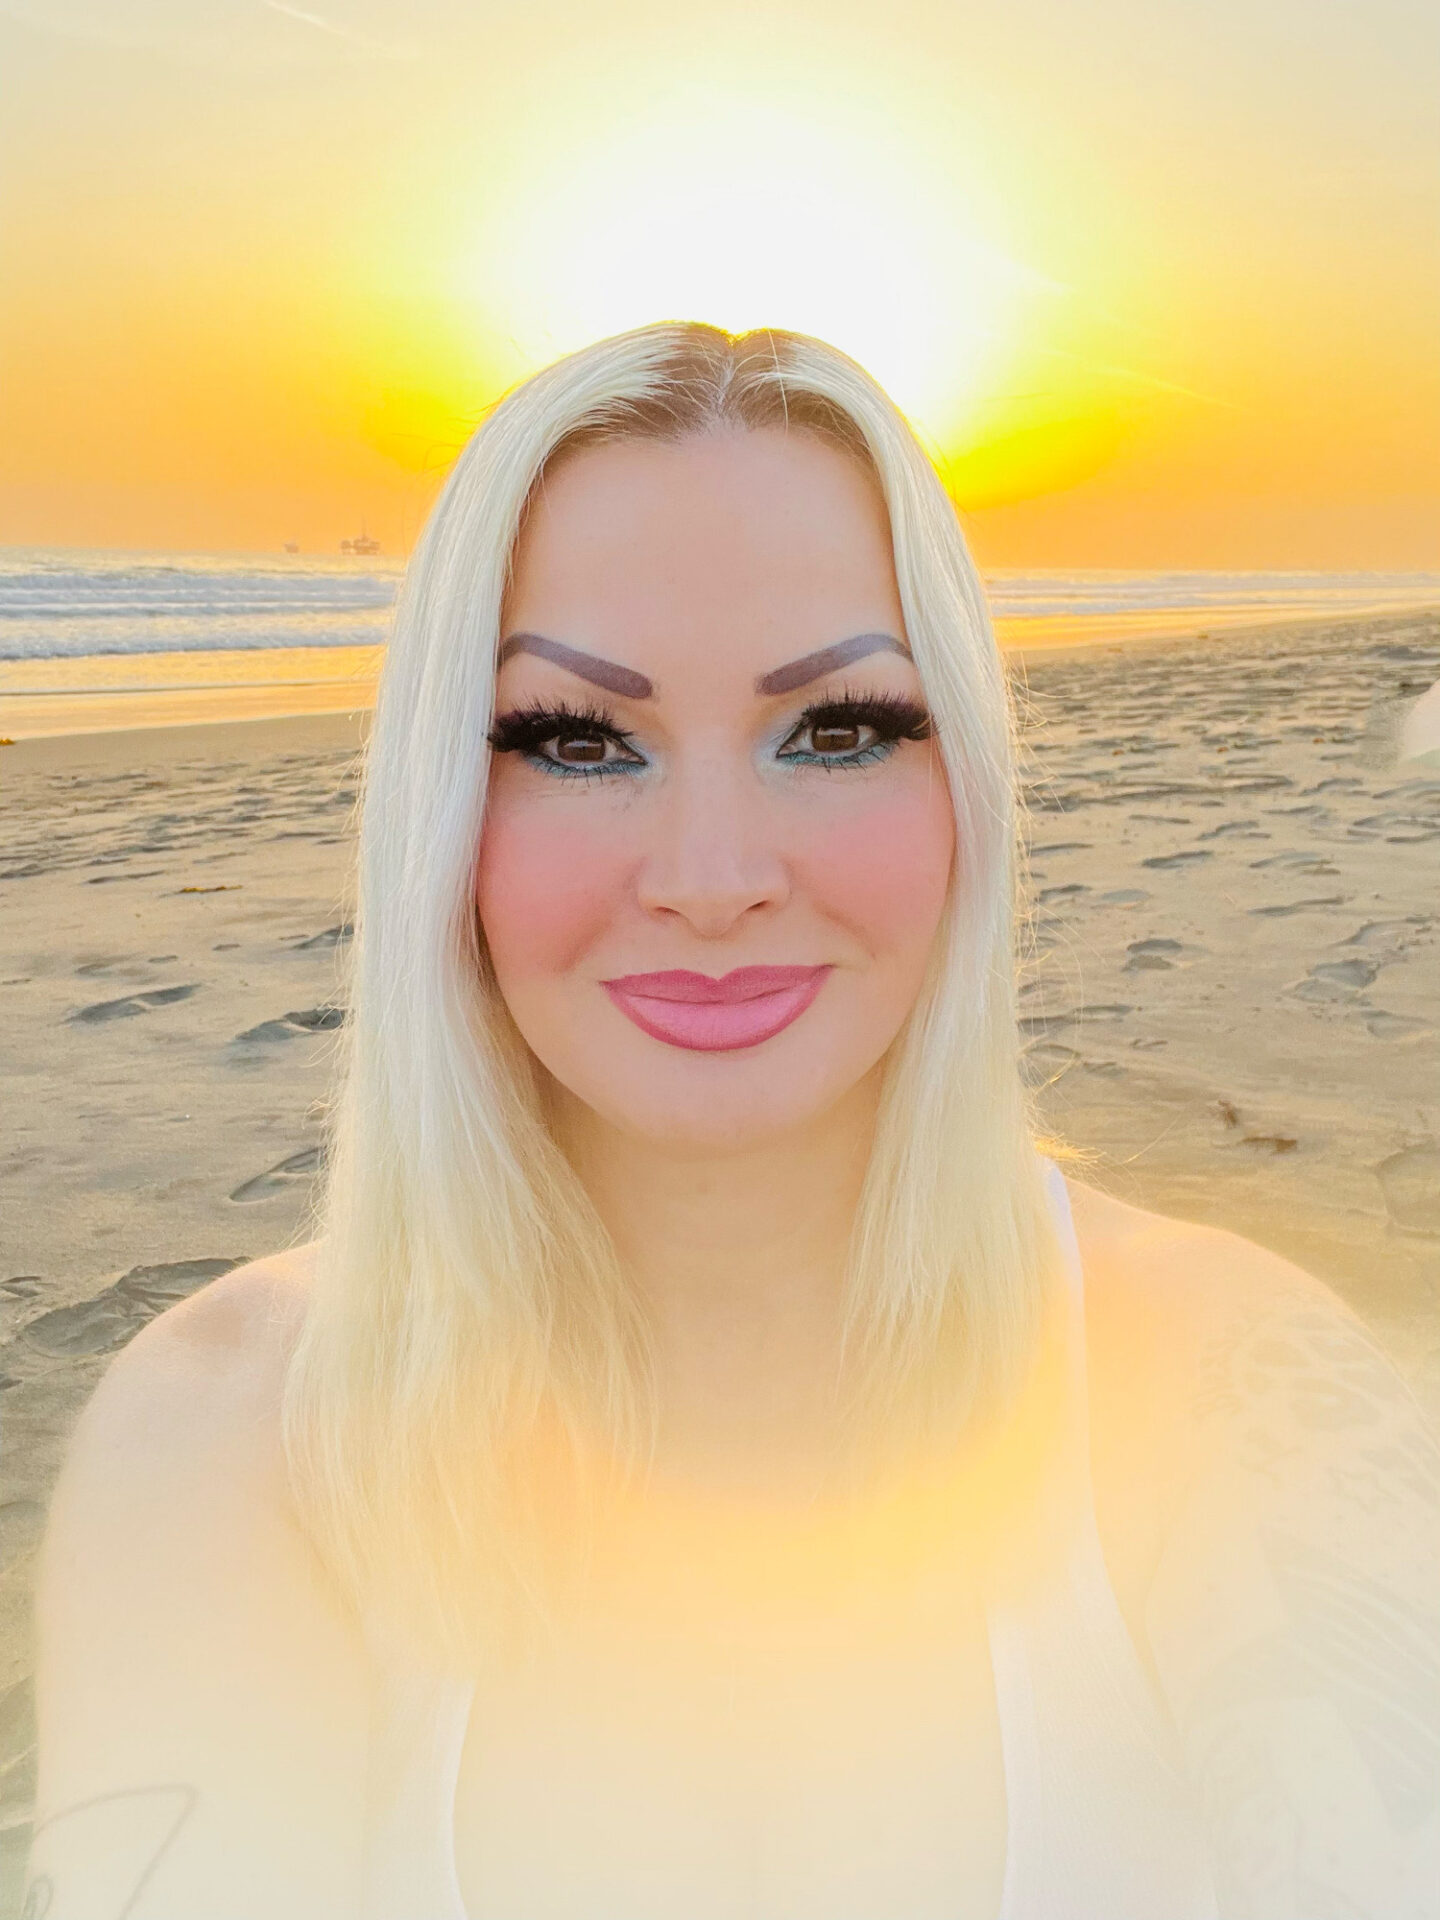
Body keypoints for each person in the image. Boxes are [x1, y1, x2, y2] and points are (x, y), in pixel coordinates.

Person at [28, 323, 1440, 1919]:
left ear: (961, 780)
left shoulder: (1233, 1384)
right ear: (445, 808)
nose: (712, 877)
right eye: (576, 740)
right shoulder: (236, 1443)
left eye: (836, 730)